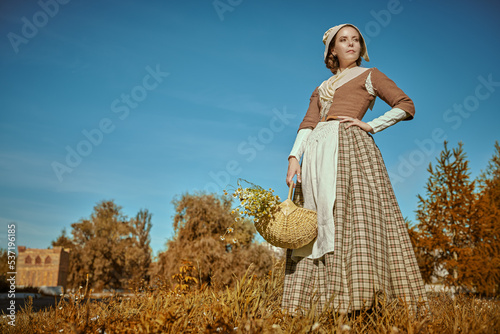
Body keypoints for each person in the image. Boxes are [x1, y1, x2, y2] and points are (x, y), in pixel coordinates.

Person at [282, 23, 428, 314]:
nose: (351, 45)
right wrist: (294, 158)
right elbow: (308, 123)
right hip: (316, 152)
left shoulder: (370, 75)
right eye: (343, 40)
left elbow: (406, 105)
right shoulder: (321, 88)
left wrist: (371, 124)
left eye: (356, 40)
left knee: (350, 217)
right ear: (332, 50)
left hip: (349, 147)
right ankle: (314, 306)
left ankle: (359, 302)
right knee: (314, 222)